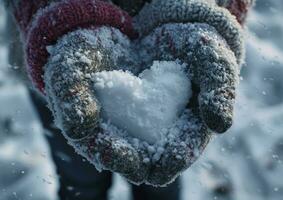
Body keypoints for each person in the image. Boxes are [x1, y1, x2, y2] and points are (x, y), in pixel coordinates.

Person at [4, 0, 253, 199]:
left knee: (160, 185)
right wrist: (56, 16)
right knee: (79, 179)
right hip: (55, 66)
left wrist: (202, 13)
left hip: (172, 54)